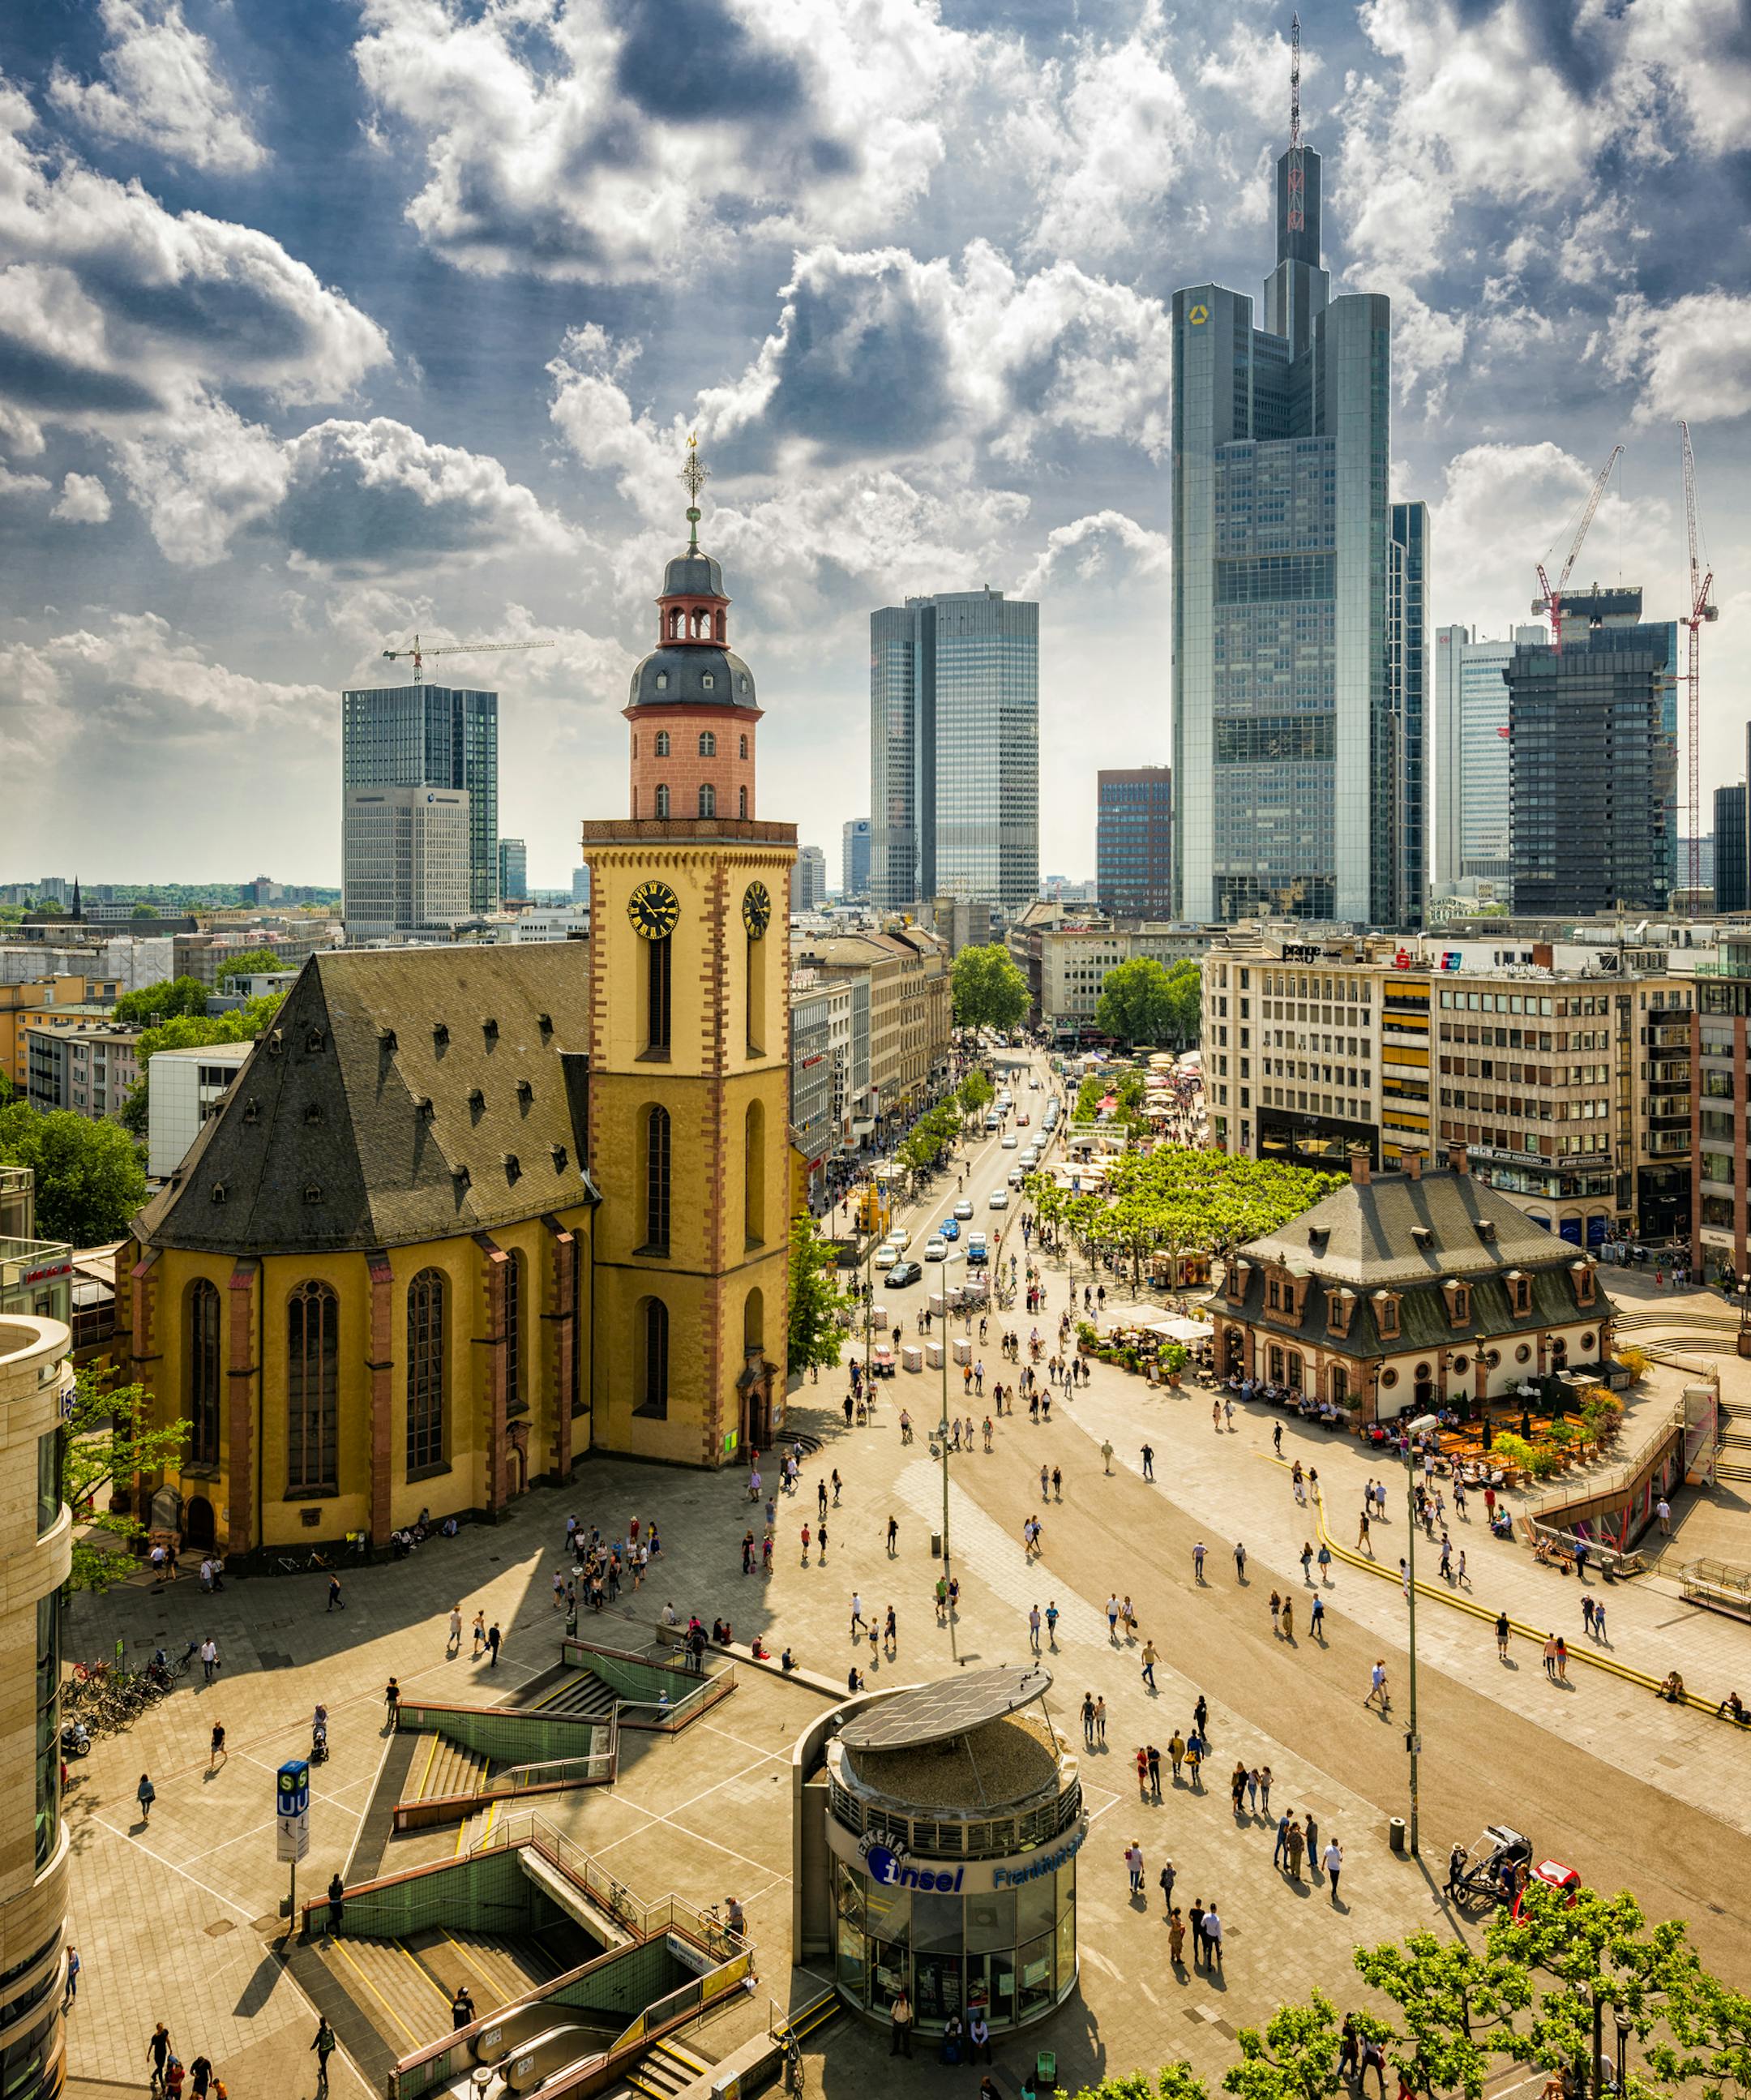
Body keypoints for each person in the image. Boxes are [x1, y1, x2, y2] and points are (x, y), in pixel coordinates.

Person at [312, 2016, 336, 2096]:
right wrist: (333, 2047)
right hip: (328, 2050)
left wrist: (311, 2048)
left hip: (322, 2051)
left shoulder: (320, 2034)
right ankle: (322, 2070)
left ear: (320, 2023)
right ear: (325, 2022)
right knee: (324, 2062)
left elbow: (315, 2043)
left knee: (323, 2065)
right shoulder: (330, 2031)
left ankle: (326, 2083)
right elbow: (333, 2039)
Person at [889, 1986, 914, 2057]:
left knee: (906, 2040)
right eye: (900, 2001)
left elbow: (910, 2016)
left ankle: (906, 2052)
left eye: (902, 2001)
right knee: (896, 2038)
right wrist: (894, 2022)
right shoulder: (896, 2003)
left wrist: (908, 2025)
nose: (901, 2002)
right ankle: (895, 2050)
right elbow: (893, 2012)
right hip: (897, 2023)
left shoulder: (908, 2005)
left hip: (905, 2024)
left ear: (904, 1999)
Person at [148, 2024, 173, 2094]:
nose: (162, 2029)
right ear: (157, 2029)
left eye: (162, 2028)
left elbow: (167, 2040)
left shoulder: (165, 2032)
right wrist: (148, 2055)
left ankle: (153, 2075)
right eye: (160, 2028)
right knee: (160, 2070)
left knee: (160, 2067)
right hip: (157, 2055)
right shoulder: (155, 2037)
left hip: (163, 2053)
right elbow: (151, 2046)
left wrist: (170, 2048)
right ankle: (163, 2086)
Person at [328, 1871, 345, 1935]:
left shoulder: (331, 1886)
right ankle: (337, 1932)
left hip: (333, 1903)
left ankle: (329, 1925)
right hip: (338, 1902)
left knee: (335, 1918)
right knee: (339, 1917)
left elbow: (330, 1896)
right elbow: (342, 1893)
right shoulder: (340, 1883)